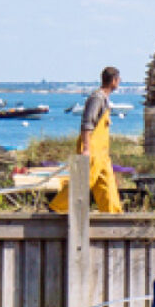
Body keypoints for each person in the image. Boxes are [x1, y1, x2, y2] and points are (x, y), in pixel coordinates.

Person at [52, 65, 123, 213]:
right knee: (83, 181)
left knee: (107, 184)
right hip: (92, 150)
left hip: (102, 154)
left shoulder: (105, 99)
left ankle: (113, 216)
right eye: (119, 79)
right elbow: (87, 124)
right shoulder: (97, 98)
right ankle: (57, 207)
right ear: (114, 80)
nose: (119, 82)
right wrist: (86, 148)